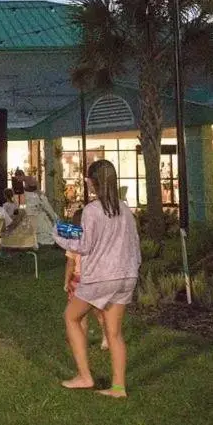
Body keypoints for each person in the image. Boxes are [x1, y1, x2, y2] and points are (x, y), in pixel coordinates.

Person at [52, 159, 141, 399]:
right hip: (126, 275)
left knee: (71, 317)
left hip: (101, 277)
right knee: (114, 332)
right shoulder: (125, 209)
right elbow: (133, 243)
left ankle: (84, 376)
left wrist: (59, 236)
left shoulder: (92, 210)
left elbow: (84, 245)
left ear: (93, 182)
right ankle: (118, 387)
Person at [62, 209, 107, 351]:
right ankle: (106, 338)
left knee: (80, 315)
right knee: (99, 312)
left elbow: (70, 264)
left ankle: (81, 340)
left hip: (78, 282)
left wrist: (66, 282)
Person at [23, 175, 59, 245]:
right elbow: (49, 209)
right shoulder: (39, 196)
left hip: (27, 226)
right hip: (39, 225)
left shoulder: (22, 196)